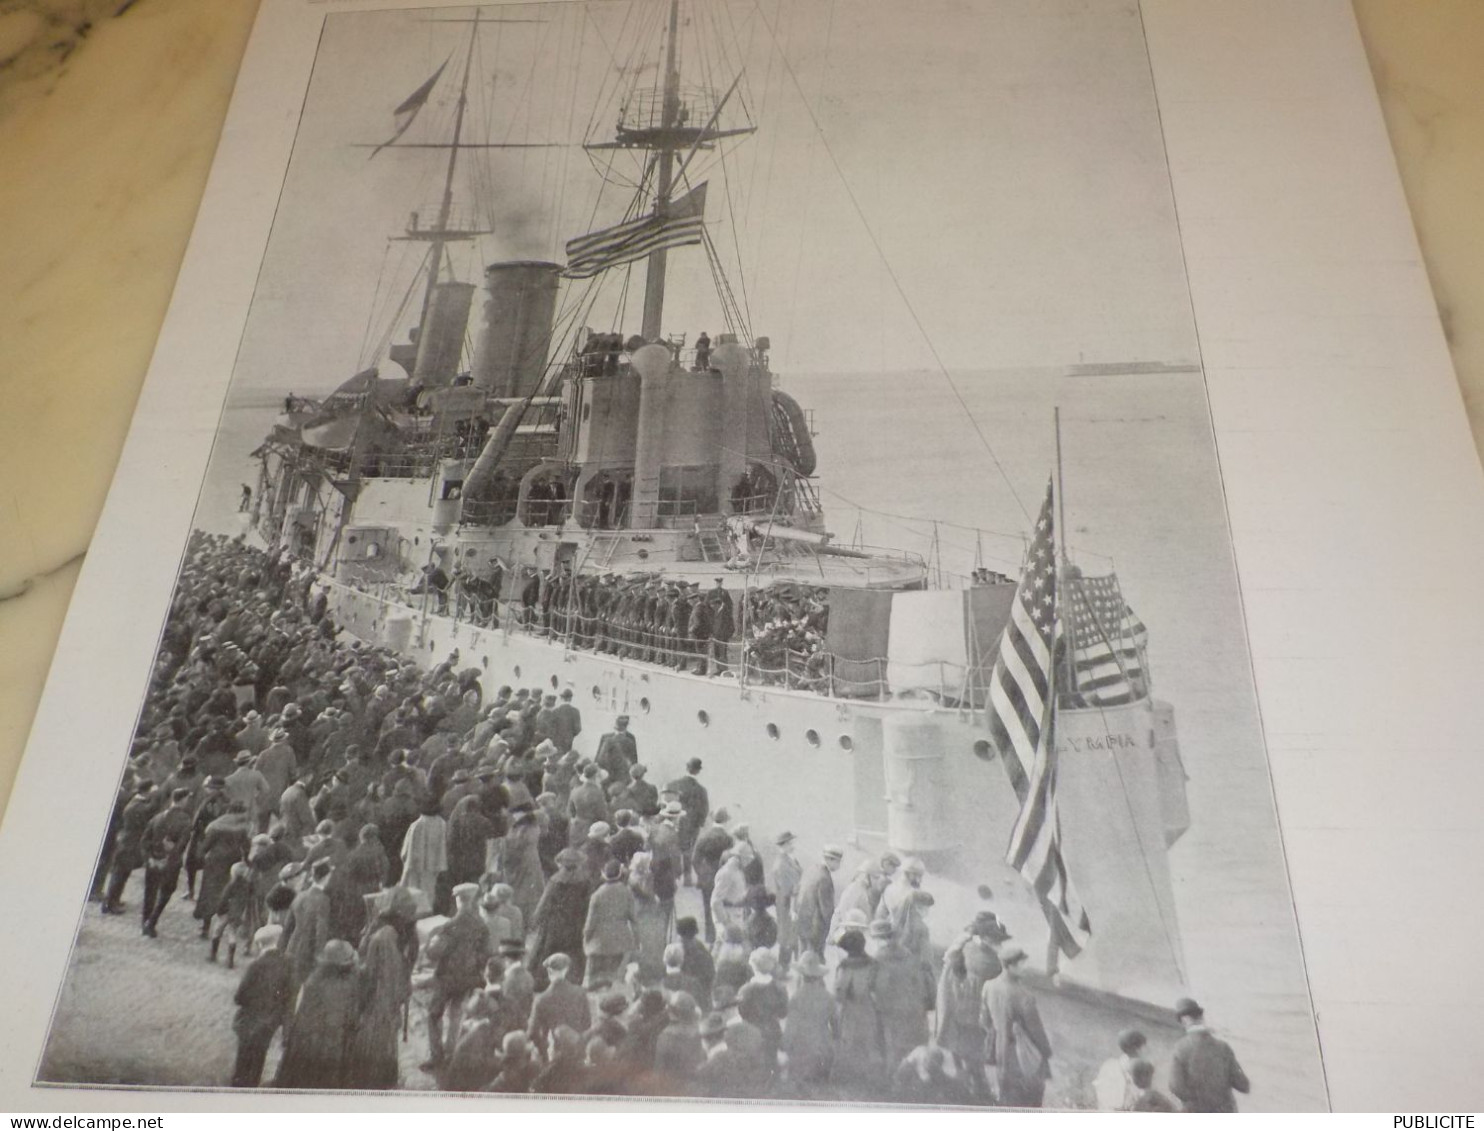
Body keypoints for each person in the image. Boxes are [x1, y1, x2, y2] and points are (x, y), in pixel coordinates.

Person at [345, 886, 418, 1090]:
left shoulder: (380, 933)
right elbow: (410, 962)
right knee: (389, 1037)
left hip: (377, 993)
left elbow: (366, 965)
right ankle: (387, 1077)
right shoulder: (408, 932)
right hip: (396, 992)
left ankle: (370, 1079)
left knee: (373, 1036)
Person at [274, 938, 362, 1089]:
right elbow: (353, 1018)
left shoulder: (313, 980)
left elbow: (299, 1013)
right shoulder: (350, 985)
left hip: (307, 1044)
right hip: (334, 1047)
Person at [423, 882, 491, 1070]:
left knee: (434, 1014)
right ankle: (451, 1053)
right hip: (468, 978)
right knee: (456, 1013)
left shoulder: (451, 925)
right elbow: (486, 953)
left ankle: (436, 1057)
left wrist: (429, 946)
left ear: (460, 900)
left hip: (447, 978)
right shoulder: (481, 925)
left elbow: (435, 953)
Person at [981, 946, 1053, 1108]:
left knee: (1006, 1099)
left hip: (1000, 1052)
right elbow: (1036, 1031)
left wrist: (1001, 1032)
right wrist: (1046, 1052)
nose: (1024, 967)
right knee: (1029, 1102)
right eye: (1021, 964)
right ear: (1009, 966)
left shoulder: (989, 986)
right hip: (1021, 1058)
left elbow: (985, 1021)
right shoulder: (1023, 995)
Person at [230, 924, 294, 1088]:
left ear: (259, 944)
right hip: (270, 1022)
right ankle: (252, 1085)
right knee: (259, 1057)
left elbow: (240, 996)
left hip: (250, 1020)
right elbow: (289, 995)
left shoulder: (256, 965)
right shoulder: (287, 963)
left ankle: (238, 1088)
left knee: (243, 1058)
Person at [868, 918, 935, 1072]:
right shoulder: (909, 955)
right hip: (915, 1011)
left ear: (878, 939)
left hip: (890, 1013)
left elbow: (871, 987)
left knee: (892, 1050)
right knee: (912, 1050)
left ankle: (893, 1083)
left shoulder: (877, 959)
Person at [1168, 997, 1250, 1112]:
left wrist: (1198, 1100)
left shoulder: (1179, 1049)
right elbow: (1244, 1086)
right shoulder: (1223, 1047)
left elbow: (1175, 1086)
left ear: (1184, 1021)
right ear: (1201, 1018)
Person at [830, 927, 884, 1098]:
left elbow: (838, 993)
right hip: (868, 1008)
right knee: (870, 1042)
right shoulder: (874, 964)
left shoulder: (844, 967)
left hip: (850, 1011)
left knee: (848, 1043)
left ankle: (850, 1080)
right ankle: (874, 1079)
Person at [530, 847, 592, 988]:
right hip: (576, 923)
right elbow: (588, 903)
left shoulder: (555, 881)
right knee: (575, 953)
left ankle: (543, 981)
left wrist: (535, 921)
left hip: (555, 923)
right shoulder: (584, 881)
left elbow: (544, 903)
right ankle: (573, 981)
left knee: (547, 951)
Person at [139, 787, 194, 937]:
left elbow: (144, 841)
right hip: (170, 863)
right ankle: (152, 921)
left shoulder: (157, 817)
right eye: (187, 799)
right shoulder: (186, 821)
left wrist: (148, 858)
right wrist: (170, 856)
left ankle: (145, 921)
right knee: (166, 892)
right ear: (183, 800)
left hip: (153, 860)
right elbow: (181, 846)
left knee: (149, 891)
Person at [781, 950, 833, 1089]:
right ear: (819, 977)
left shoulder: (797, 998)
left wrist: (785, 1045)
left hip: (801, 1047)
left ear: (801, 976)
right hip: (822, 1045)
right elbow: (836, 1024)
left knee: (801, 1083)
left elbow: (791, 1026)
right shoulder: (828, 996)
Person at [584, 859, 638, 989]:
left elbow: (590, 923)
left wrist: (586, 939)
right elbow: (634, 919)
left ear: (604, 874)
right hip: (621, 939)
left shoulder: (596, 895)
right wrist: (637, 940)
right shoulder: (627, 892)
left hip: (599, 941)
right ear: (620, 874)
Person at [528, 952, 592, 1050]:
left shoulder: (541, 999)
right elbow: (587, 1024)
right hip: (577, 1050)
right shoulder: (580, 993)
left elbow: (533, 1032)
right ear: (566, 970)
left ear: (549, 971)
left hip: (554, 1052)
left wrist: (543, 1051)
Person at [796, 844, 843, 958]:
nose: (839, 865)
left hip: (803, 924)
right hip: (816, 928)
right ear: (830, 860)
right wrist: (835, 927)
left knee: (804, 960)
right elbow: (826, 909)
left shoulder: (811, 870)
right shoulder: (824, 878)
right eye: (838, 862)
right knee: (816, 960)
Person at [665, 758, 708, 880]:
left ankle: (673, 876)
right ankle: (687, 878)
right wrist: (700, 823)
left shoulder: (673, 784)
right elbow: (704, 809)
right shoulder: (701, 790)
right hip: (692, 825)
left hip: (674, 821)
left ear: (686, 768)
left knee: (673, 847)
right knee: (688, 850)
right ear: (698, 771)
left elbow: (665, 802)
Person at [1093, 1028, 1148, 1111]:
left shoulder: (1111, 1064)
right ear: (1137, 1049)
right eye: (1143, 1047)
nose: (1146, 1050)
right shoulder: (1135, 1068)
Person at [770, 830, 802, 970]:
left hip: (789, 902)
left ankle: (786, 965)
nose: (793, 845)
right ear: (785, 844)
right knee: (786, 935)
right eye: (791, 842)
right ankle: (783, 967)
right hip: (786, 904)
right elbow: (788, 888)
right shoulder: (782, 864)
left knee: (790, 934)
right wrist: (793, 909)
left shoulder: (789, 859)